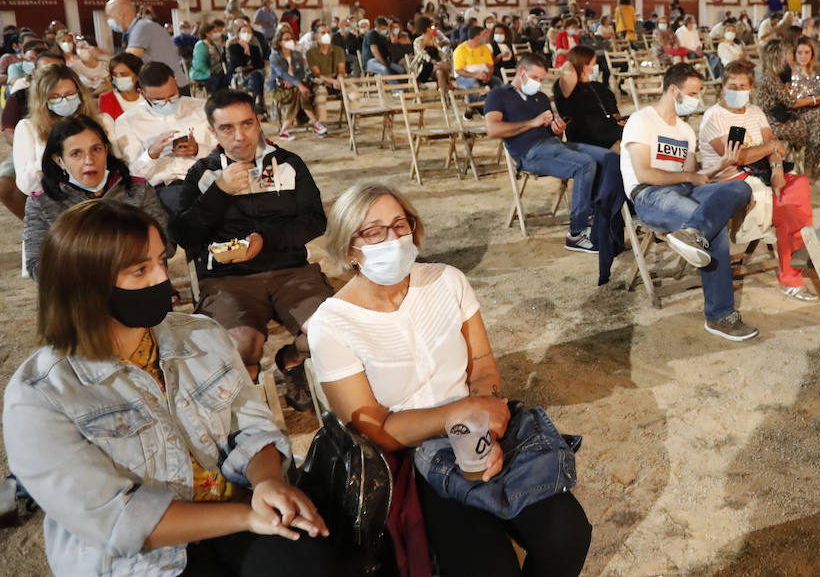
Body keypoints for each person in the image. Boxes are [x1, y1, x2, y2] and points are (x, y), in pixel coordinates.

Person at [4, 200, 336, 577]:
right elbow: (118, 520)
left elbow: (249, 425)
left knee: (311, 558)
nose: (161, 279)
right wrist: (246, 517)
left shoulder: (201, 334)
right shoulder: (40, 396)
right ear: (86, 284)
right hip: (140, 562)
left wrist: (267, 482)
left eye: (161, 261)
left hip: (240, 515)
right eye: (139, 270)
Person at [308, 184, 592, 576]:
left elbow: (482, 363)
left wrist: (484, 428)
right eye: (373, 232)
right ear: (348, 249)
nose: (392, 239)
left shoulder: (446, 281)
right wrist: (462, 414)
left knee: (568, 535)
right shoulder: (333, 324)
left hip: (479, 431)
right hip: (414, 455)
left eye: (399, 225)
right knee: (487, 567)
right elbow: (377, 429)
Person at [170, 89, 331, 409]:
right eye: (227, 128)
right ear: (213, 132)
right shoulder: (203, 173)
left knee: (330, 334)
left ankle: (292, 360)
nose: (240, 135)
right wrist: (219, 192)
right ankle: (250, 401)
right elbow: (185, 236)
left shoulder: (288, 164)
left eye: (247, 124)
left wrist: (265, 240)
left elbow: (315, 221)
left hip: (292, 272)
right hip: (229, 279)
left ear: (259, 122)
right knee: (241, 346)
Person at [622, 63, 757, 339]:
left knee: (740, 189)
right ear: (674, 91)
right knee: (713, 223)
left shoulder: (685, 130)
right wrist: (689, 177)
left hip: (683, 190)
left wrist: (722, 164)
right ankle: (720, 315)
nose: (697, 99)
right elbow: (644, 173)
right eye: (693, 93)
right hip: (649, 195)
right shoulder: (641, 120)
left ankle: (693, 232)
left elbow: (694, 176)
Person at [699, 60, 817, 301]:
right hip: (731, 181)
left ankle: (795, 254)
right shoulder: (715, 117)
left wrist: (775, 171)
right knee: (788, 210)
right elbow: (738, 156)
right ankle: (793, 268)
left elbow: (775, 147)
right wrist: (772, 147)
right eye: (732, 85)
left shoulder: (755, 112)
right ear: (723, 86)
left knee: (799, 185)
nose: (737, 91)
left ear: (751, 89)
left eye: (743, 86)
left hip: (762, 174)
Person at [484, 54, 608, 252]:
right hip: (529, 152)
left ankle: (599, 213)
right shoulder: (499, 95)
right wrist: (532, 123)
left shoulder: (540, 98)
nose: (538, 83)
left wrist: (556, 129)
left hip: (553, 146)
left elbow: (550, 132)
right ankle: (577, 232)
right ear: (520, 72)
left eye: (541, 79)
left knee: (608, 157)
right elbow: (493, 130)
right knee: (585, 164)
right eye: (535, 78)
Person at [23, 115, 167, 279]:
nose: (89, 160)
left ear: (106, 150)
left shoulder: (139, 189)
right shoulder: (41, 202)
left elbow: (166, 246)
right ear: (59, 161)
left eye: (96, 149)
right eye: (76, 154)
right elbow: (37, 267)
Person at [113, 60, 214, 216]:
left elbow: (226, 153)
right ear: (142, 93)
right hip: (163, 188)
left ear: (176, 84)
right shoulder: (127, 122)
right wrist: (151, 154)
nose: (168, 103)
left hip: (205, 178)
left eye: (173, 96)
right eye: (159, 100)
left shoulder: (202, 108)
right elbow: (131, 176)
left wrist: (198, 150)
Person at [15, 63, 117, 198]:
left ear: (80, 94)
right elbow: (26, 186)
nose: (64, 101)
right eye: (55, 97)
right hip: (56, 197)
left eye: (70, 94)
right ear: (43, 100)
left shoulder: (103, 121)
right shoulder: (28, 128)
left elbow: (118, 164)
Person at [755, 39, 820, 178]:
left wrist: (818, 101)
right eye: (787, 53)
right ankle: (815, 170)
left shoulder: (776, 76)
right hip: (774, 124)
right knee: (816, 129)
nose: (790, 56)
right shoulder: (770, 78)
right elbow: (790, 102)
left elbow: (789, 99)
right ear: (778, 56)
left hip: (784, 118)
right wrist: (818, 99)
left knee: (816, 119)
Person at [105, 0, 189, 91]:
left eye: (109, 16)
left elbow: (127, 62)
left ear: (121, 15)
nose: (108, 20)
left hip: (169, 89)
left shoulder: (141, 28)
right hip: (166, 85)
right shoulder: (140, 27)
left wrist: (100, 56)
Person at [554, 45, 624, 150]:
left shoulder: (599, 86)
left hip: (611, 131)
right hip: (589, 137)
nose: (596, 66)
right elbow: (567, 72)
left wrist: (620, 120)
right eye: (593, 63)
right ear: (583, 65)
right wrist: (573, 62)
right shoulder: (566, 89)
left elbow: (614, 112)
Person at [267, 27, 328, 140]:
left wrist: (295, 83)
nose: (289, 41)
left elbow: (301, 73)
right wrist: (297, 84)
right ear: (279, 42)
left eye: (290, 38)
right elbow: (281, 73)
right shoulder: (274, 56)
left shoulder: (297, 55)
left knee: (299, 93)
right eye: (286, 39)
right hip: (280, 88)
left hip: (295, 87)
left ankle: (284, 131)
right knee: (300, 92)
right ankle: (316, 123)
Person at [306, 26, 348, 122]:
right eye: (323, 33)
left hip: (337, 80)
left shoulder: (338, 50)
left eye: (328, 32)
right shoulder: (311, 52)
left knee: (353, 92)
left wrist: (338, 79)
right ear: (316, 36)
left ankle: (354, 123)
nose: (326, 35)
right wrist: (332, 81)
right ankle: (322, 124)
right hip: (321, 81)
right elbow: (317, 73)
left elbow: (341, 70)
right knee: (321, 95)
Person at [226, 21, 267, 112]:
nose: (246, 34)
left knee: (257, 74)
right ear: (239, 34)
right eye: (244, 32)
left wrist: (248, 50)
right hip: (236, 74)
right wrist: (246, 50)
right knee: (256, 75)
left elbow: (260, 64)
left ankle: (256, 101)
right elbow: (238, 63)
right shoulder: (233, 47)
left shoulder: (255, 48)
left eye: (249, 32)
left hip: (252, 73)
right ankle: (256, 100)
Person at [98, 51, 145, 122]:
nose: (118, 78)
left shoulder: (149, 97)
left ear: (137, 76)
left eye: (124, 74)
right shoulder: (106, 99)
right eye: (115, 74)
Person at [190, 17, 229, 94]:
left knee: (226, 79)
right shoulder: (201, 45)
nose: (217, 33)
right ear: (207, 33)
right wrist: (211, 72)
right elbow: (199, 64)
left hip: (217, 71)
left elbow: (221, 59)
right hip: (202, 72)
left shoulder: (215, 44)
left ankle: (224, 99)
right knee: (216, 80)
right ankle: (215, 98)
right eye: (214, 32)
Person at [453, 24, 495, 89]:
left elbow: (490, 66)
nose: (486, 36)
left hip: (483, 75)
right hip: (465, 77)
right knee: (473, 84)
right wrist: (475, 75)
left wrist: (488, 76)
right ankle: (476, 99)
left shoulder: (485, 48)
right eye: (484, 34)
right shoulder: (460, 50)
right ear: (476, 37)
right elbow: (458, 70)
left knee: (497, 82)